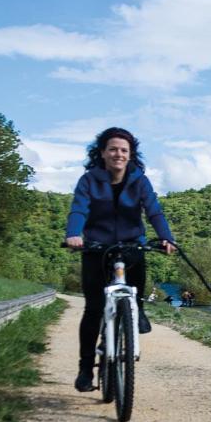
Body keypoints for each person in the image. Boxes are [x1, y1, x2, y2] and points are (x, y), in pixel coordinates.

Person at [64, 127, 176, 392]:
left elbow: (154, 211)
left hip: (131, 245)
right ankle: (85, 369)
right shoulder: (89, 180)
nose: (118, 154)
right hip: (96, 248)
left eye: (124, 150)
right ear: (102, 153)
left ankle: (137, 310)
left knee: (135, 283)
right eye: (113, 149)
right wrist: (73, 234)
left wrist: (166, 238)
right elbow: (79, 209)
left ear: (130, 154)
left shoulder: (140, 181)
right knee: (93, 309)